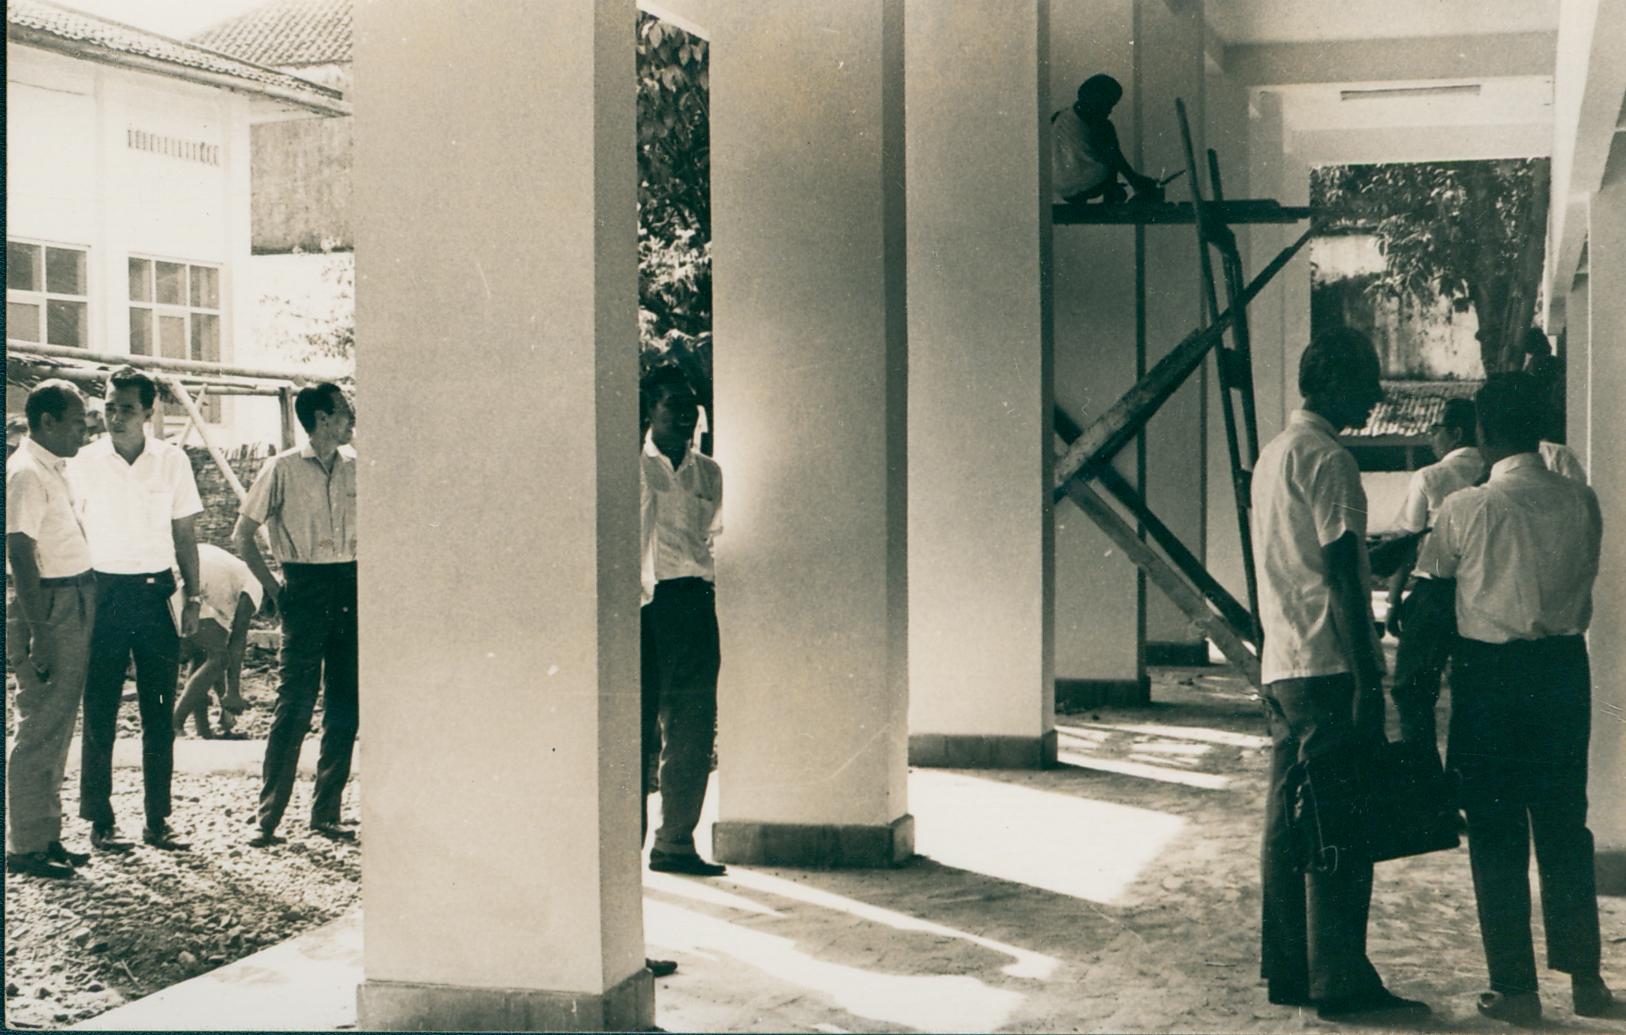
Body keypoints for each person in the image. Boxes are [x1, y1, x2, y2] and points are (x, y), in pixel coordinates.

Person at [1415, 373, 1616, 1025]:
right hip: (1562, 674)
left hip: (1491, 683)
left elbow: (1431, 596)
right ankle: (1587, 980)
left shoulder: (1466, 507)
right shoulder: (1581, 500)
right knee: (1564, 827)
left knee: (1496, 832)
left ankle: (1516, 988)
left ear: (1481, 431)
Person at [1251, 328, 1429, 1020]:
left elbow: (1306, 561)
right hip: (1329, 665)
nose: (1376, 395)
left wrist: (1362, 559)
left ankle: (1290, 968)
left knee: (1287, 821)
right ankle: (1341, 979)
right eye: (1366, 381)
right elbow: (1343, 582)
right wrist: (1369, 681)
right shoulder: (1331, 459)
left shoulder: (1275, 454)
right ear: (1332, 383)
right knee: (1341, 823)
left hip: (1284, 661)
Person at [72, 367, 202, 853]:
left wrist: (195, 597)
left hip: (154, 596)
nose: (116, 417)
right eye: (110, 407)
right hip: (101, 594)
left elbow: (185, 535)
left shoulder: (172, 462)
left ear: (149, 411)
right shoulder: (83, 462)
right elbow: (70, 530)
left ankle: (157, 819)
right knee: (99, 709)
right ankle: (99, 820)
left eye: (126, 408)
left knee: (159, 711)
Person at [235, 383, 358, 846]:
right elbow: (242, 535)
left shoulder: (358, 467)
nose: (350, 420)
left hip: (351, 586)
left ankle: (327, 813)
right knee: (295, 704)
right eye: (344, 412)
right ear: (322, 418)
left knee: (346, 704)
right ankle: (267, 818)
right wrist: (274, 590)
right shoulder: (281, 468)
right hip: (303, 588)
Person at [640, 366, 726, 878]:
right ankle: (623, 854)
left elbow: (713, 535)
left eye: (690, 403)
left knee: (694, 726)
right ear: (650, 409)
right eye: (672, 402)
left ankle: (675, 844)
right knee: (638, 728)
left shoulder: (709, 473)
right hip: (646, 608)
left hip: (695, 604)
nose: (685, 413)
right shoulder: (632, 466)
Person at [6, 381, 95, 879]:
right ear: (47, 421)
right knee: (40, 722)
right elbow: (20, 551)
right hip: (49, 603)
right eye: (77, 422)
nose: (85, 430)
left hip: (72, 597)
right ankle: (25, 845)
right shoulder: (25, 472)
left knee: (58, 722)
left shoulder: (53, 469)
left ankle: (46, 834)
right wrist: (38, 630)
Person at [1383, 398, 1483, 745]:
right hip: (1480, 592)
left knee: (1411, 689)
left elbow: (1406, 543)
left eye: (1435, 429)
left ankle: (1421, 770)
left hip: (1435, 594)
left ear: (1455, 432)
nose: (1430, 437)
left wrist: (1394, 601)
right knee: (1470, 691)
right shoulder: (1493, 471)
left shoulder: (1431, 476)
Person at [173, 543, 264, 740]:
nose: (261, 615)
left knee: (204, 658)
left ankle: (203, 730)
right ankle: (175, 722)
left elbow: (214, 668)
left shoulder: (231, 591)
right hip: (190, 580)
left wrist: (227, 703)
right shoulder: (257, 585)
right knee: (219, 658)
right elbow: (236, 643)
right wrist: (233, 693)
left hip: (186, 576)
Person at [1052, 73, 1159, 205]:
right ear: (1097, 100)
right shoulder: (1100, 123)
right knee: (1109, 152)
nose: (1110, 110)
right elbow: (1115, 157)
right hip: (1090, 182)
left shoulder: (1057, 116)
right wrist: (1136, 181)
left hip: (1060, 186)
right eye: (1109, 105)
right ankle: (1111, 193)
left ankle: (1108, 191)